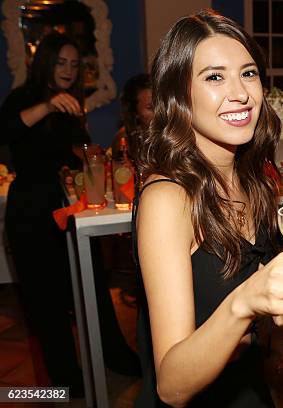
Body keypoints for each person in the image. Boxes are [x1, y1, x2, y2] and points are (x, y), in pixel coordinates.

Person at [134, 10, 283, 407]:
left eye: (248, 73)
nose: (240, 93)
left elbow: (263, 339)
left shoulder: (253, 181)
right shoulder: (169, 199)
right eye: (214, 77)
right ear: (179, 94)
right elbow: (171, 387)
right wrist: (245, 302)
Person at [0, 32, 89, 393]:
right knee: (44, 303)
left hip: (60, 207)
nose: (68, 70)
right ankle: (63, 383)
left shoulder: (70, 105)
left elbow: (71, 156)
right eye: (60, 62)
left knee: (75, 292)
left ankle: (93, 366)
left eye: (74, 64)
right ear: (45, 63)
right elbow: (4, 130)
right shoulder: (25, 97)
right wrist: (49, 106)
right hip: (28, 209)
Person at [111, 73, 152, 161]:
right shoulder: (124, 140)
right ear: (134, 111)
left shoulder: (172, 134)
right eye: (150, 107)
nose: (159, 111)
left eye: (161, 104)